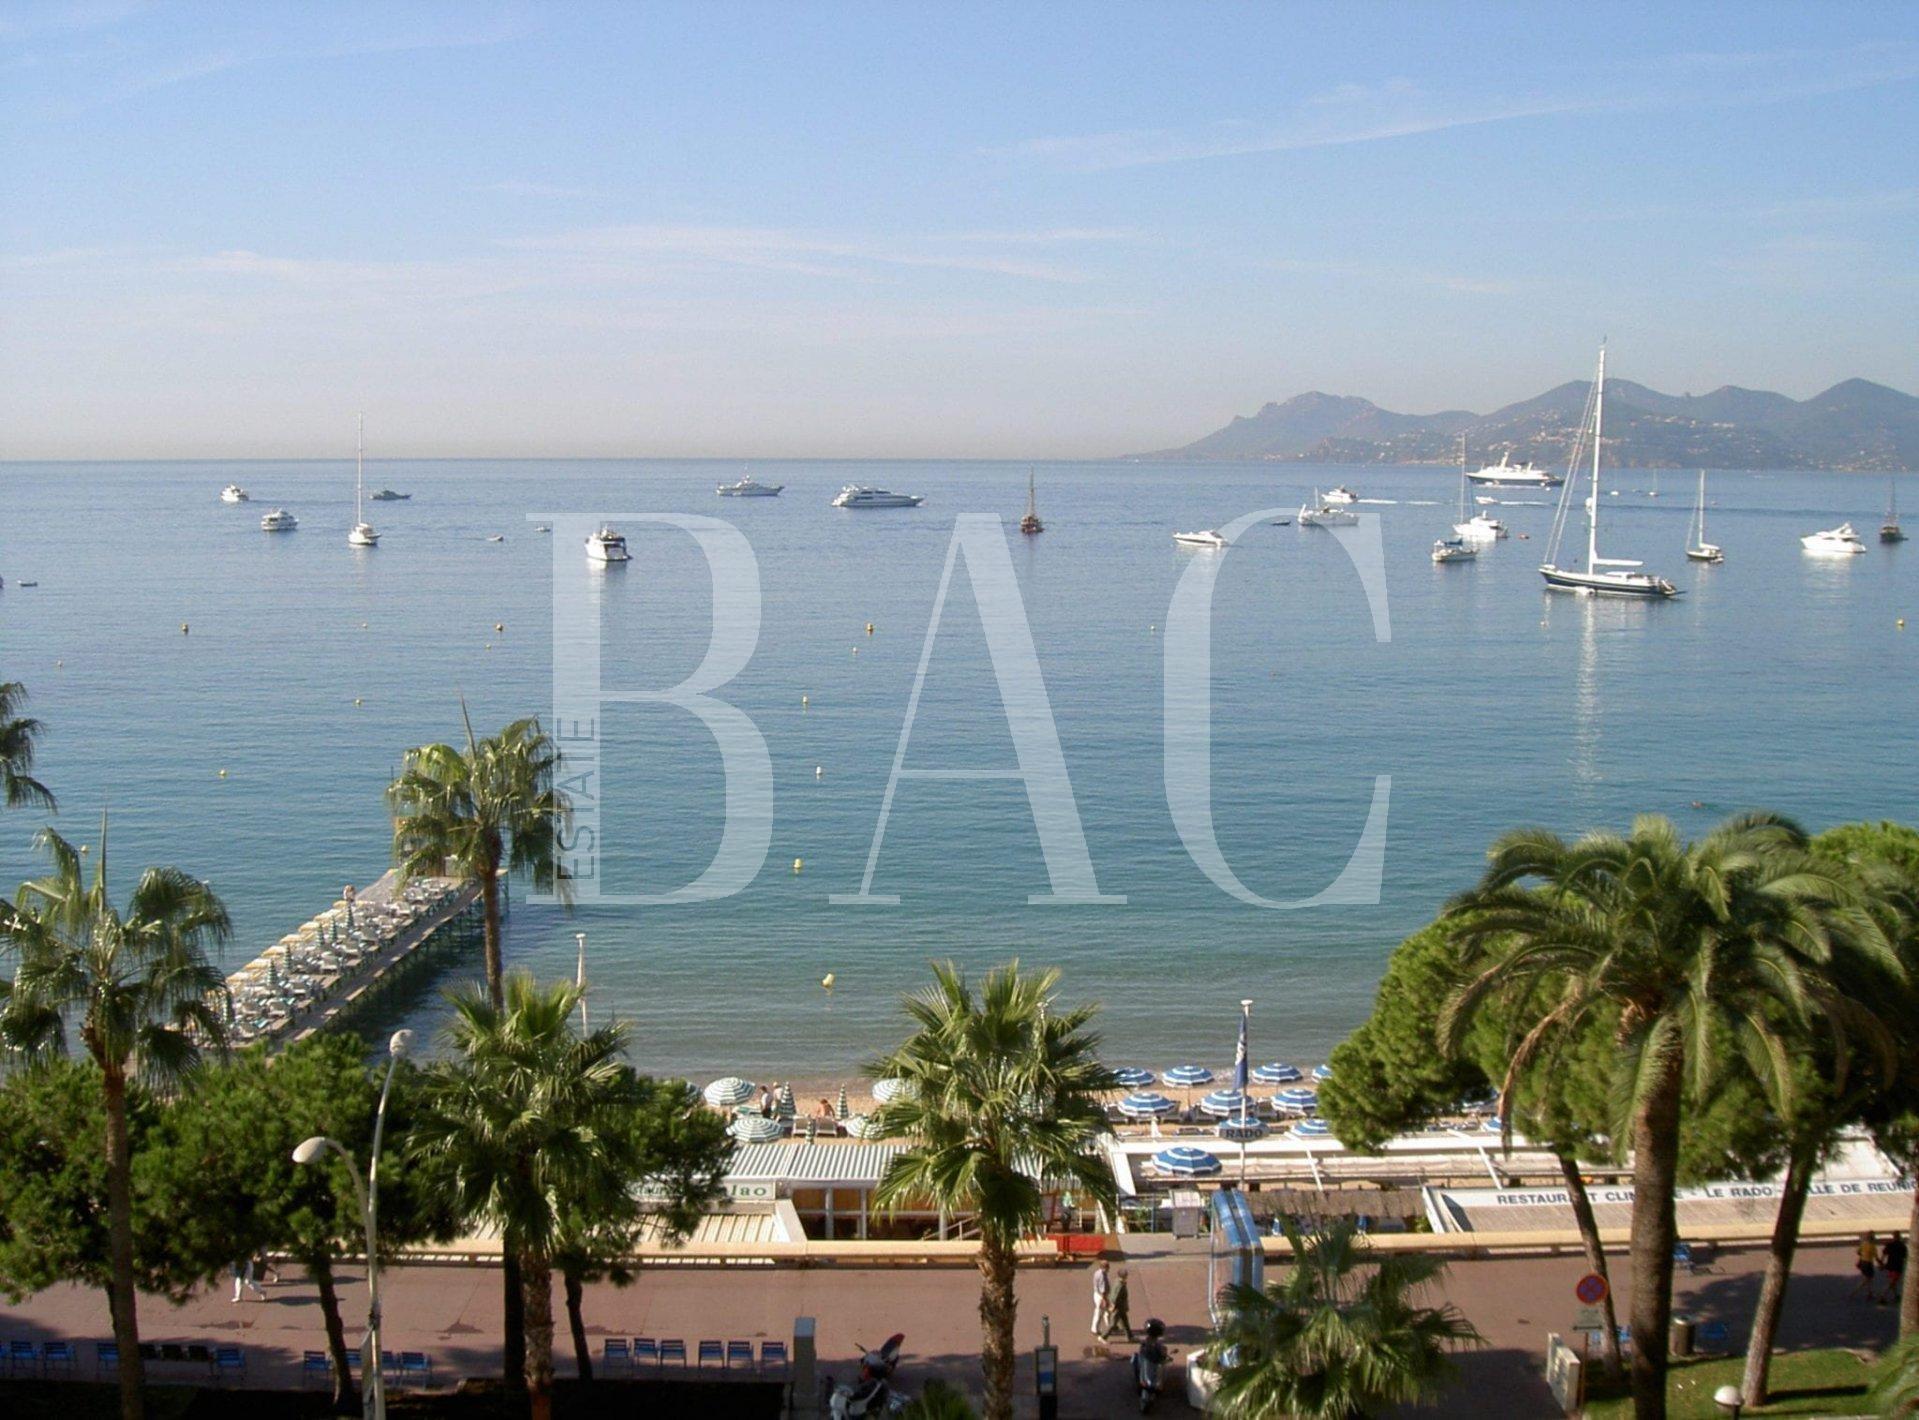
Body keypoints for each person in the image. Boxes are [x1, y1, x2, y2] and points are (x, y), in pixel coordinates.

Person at [1104, 1266, 1133, 1341]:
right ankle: (1103, 1336)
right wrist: (1113, 1306)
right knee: (1113, 1323)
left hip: (1121, 1307)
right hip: (1118, 1307)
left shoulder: (1118, 1281)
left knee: (1125, 1322)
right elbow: (1115, 1296)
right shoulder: (1120, 1285)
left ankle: (1129, 1337)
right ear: (1124, 1276)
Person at [1880, 1232, 1906, 1306]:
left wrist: (1881, 1263)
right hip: (1898, 1266)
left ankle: (1896, 1295)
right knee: (1893, 1282)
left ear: (1893, 1236)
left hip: (1890, 1265)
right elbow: (1905, 1257)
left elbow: (1884, 1254)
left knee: (1893, 1281)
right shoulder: (1902, 1245)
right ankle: (1883, 1295)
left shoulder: (1890, 1244)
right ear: (1899, 1236)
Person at [1850, 1231, 1879, 1300]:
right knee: (1868, 1279)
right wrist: (1881, 1264)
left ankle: (1870, 1293)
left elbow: (1858, 1252)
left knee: (1869, 1279)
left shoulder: (1864, 1244)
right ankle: (1855, 1292)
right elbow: (1876, 1257)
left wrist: (1863, 1255)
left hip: (1863, 1263)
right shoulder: (1873, 1246)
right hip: (1869, 1263)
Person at [1090, 1258, 1112, 1338]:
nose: (1109, 1269)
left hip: (1096, 1294)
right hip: (1101, 1297)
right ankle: (1095, 1329)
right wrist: (1104, 1300)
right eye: (1108, 1267)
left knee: (1106, 1312)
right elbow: (1102, 1289)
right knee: (1099, 1313)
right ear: (1105, 1267)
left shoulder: (1097, 1272)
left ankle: (1109, 1325)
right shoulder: (1102, 1275)